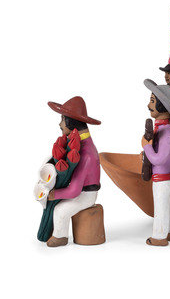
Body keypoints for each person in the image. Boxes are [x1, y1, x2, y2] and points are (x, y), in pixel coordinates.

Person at [46, 96, 101, 247]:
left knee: (60, 210)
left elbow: (75, 190)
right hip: (81, 192)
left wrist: (55, 194)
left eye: (62, 119)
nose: (60, 124)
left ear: (71, 122)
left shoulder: (86, 153)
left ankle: (60, 237)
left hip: (86, 195)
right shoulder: (81, 145)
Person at [141, 79, 170, 246]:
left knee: (161, 207)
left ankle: (159, 236)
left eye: (152, 101)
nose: (148, 105)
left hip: (163, 178)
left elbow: (159, 159)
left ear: (162, 105)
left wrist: (146, 147)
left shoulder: (166, 133)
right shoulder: (165, 130)